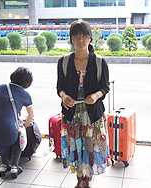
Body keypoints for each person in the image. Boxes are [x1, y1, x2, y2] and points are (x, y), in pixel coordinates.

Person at [57, 20, 110, 188]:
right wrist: (64, 96)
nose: (80, 40)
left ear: (90, 38)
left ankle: (86, 181)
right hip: (73, 116)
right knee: (77, 148)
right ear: (71, 39)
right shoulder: (64, 62)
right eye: (76, 36)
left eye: (84, 36)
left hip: (92, 116)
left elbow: (105, 87)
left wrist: (96, 95)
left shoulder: (100, 62)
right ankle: (81, 180)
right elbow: (60, 87)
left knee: (89, 148)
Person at [0, 67, 34, 179]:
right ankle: (14, 166)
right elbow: (31, 116)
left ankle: (4, 164)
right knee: (19, 133)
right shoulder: (25, 94)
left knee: (1, 133)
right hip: (6, 132)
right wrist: (23, 126)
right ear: (27, 82)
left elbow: (0, 104)